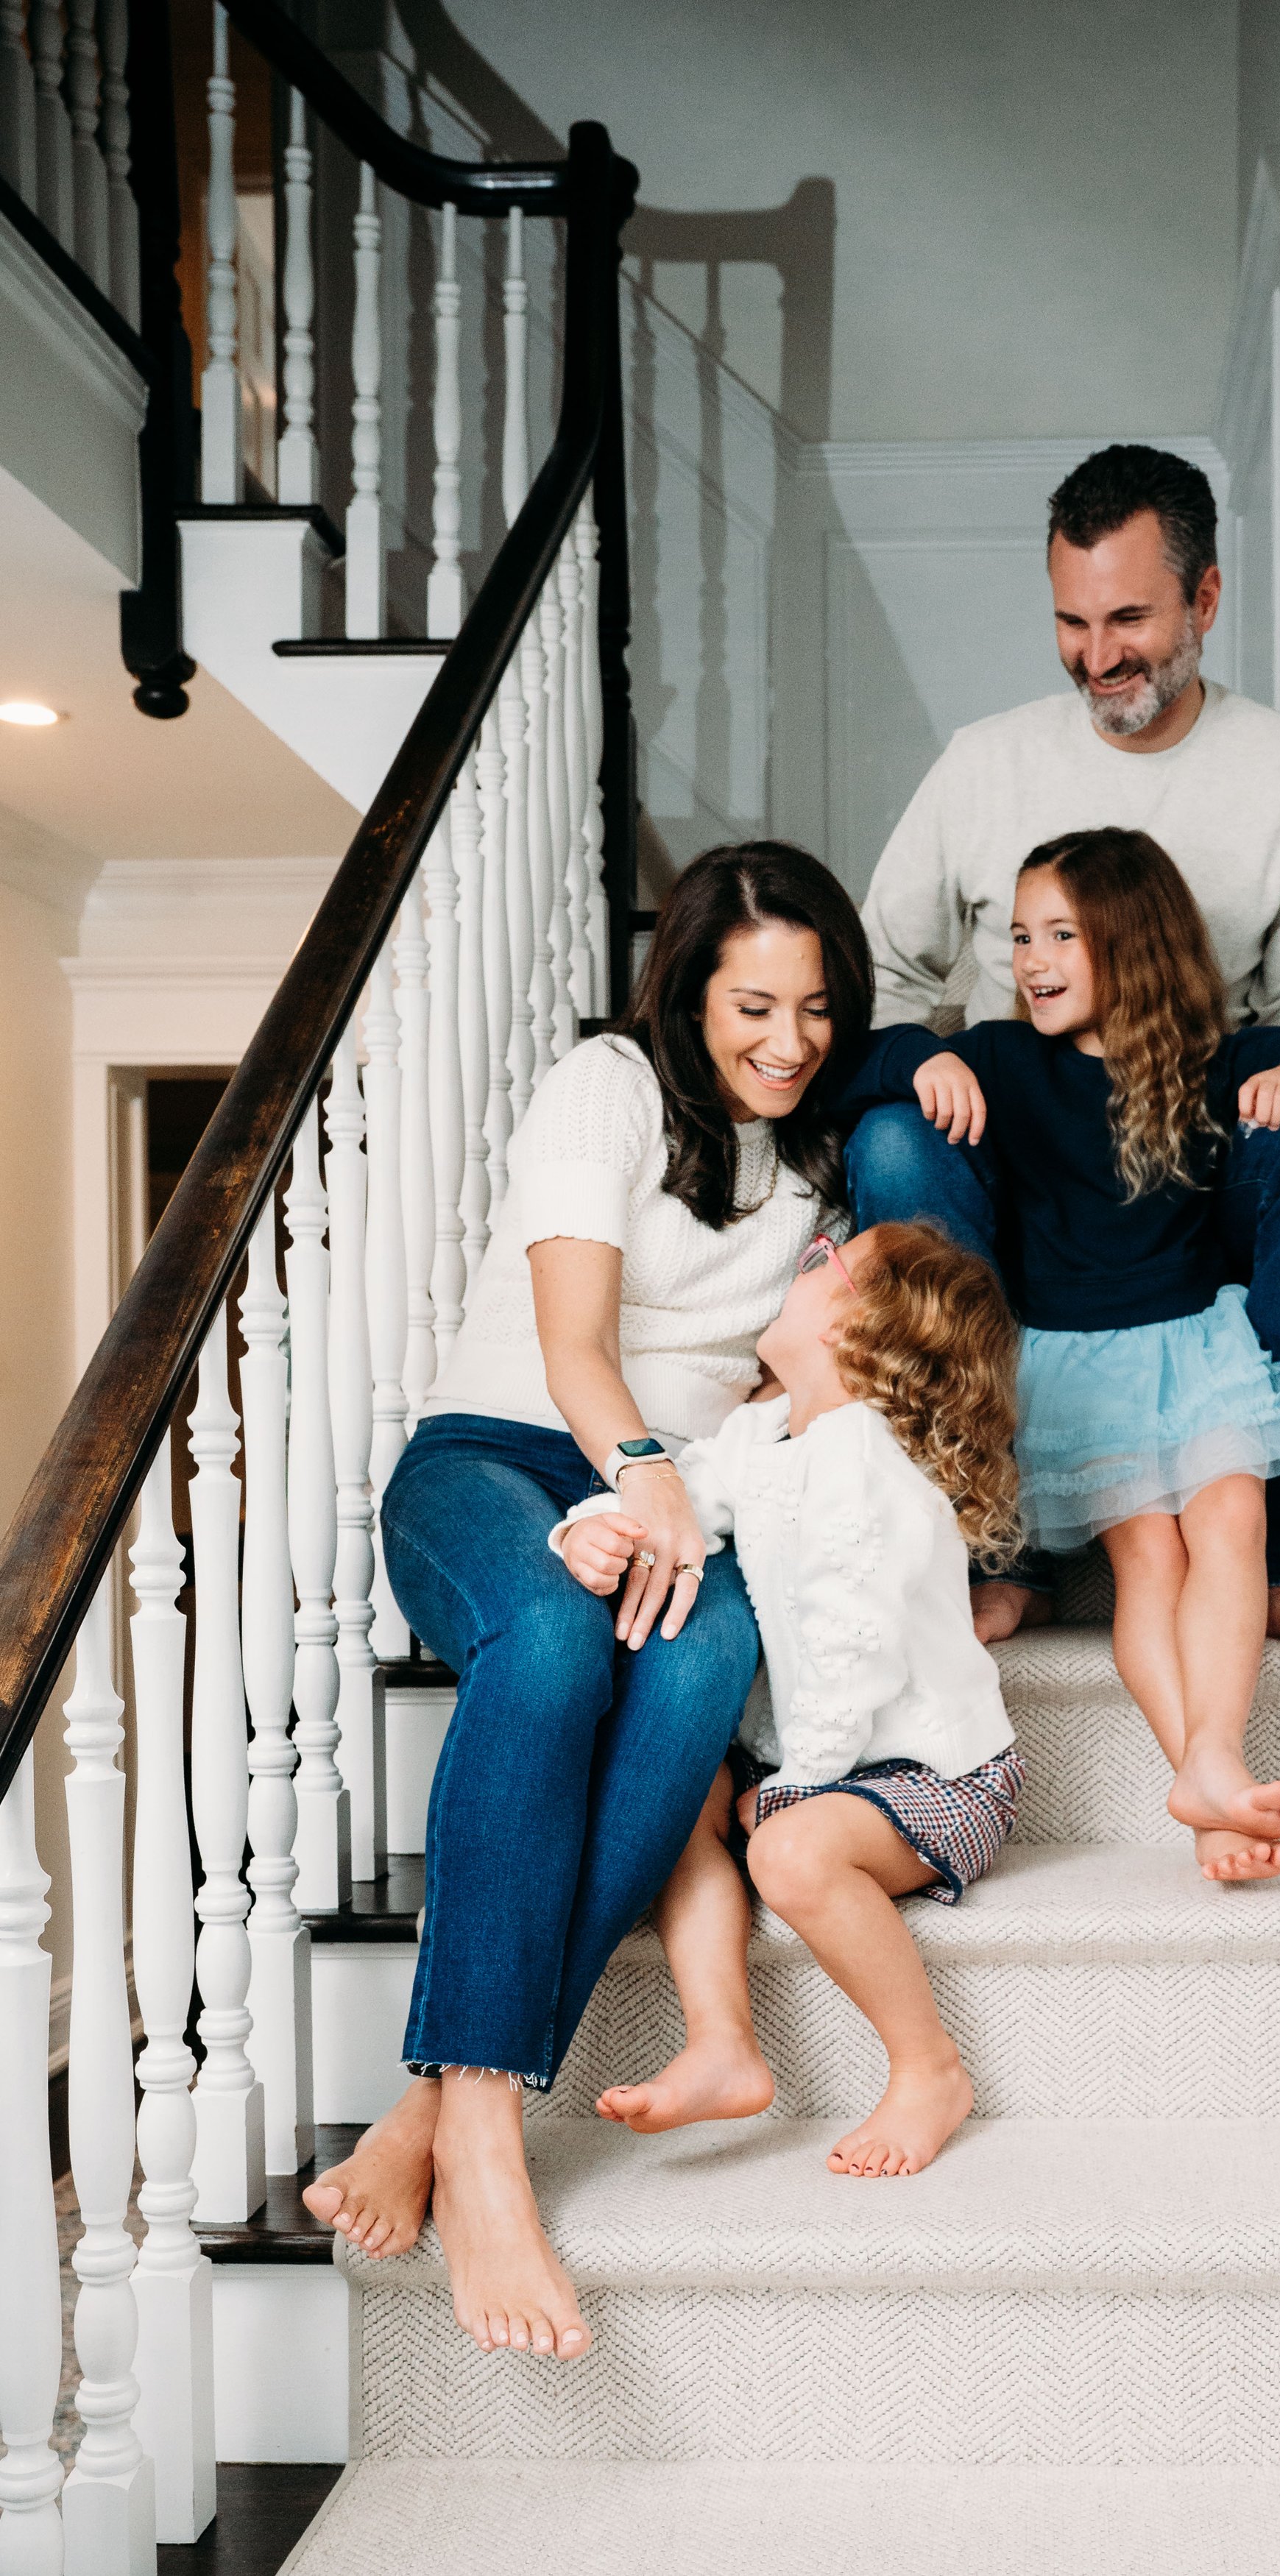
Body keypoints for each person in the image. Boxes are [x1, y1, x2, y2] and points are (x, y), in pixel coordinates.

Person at [301, 841, 874, 2360]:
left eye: (815, 1009)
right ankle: (487, 2141)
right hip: (495, 1457)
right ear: (687, 994)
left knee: (706, 1667)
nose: (786, 1040)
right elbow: (571, 1346)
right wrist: (636, 1472)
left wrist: (681, 1493)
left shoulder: (816, 1157)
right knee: (549, 1646)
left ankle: (427, 2101)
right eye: (753, 1003)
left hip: (658, 1490)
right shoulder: (603, 1088)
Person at [853, 442, 1280, 1655]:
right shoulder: (985, 764)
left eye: (1130, 619)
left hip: (1197, 1145)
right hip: (1022, 1147)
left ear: (1204, 601)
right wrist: (931, 1062)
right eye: (1071, 620)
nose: (1099, 656)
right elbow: (880, 985)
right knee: (894, 1148)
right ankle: (992, 1546)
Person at [845, 829, 1280, 1880]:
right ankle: (1205, 1781)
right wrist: (929, 1053)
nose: (1030, 960)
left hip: (1195, 1347)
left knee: (1232, 1521)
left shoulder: (1211, 1060)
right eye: (1019, 938)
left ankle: (1214, 1761)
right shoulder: (1003, 1059)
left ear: (1132, 945)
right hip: (1078, 1366)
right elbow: (862, 1066)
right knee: (1152, 1562)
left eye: (1059, 936)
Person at [560, 1221, 1022, 2178]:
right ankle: (723, 2042)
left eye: (823, 1264)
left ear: (861, 1327)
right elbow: (677, 1495)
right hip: (821, 1752)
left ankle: (929, 2067)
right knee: (667, 1779)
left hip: (940, 1773)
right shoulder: (763, 1433)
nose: (801, 1267)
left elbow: (855, 1650)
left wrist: (798, 1788)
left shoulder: (868, 1461)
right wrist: (590, 1530)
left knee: (791, 1852)